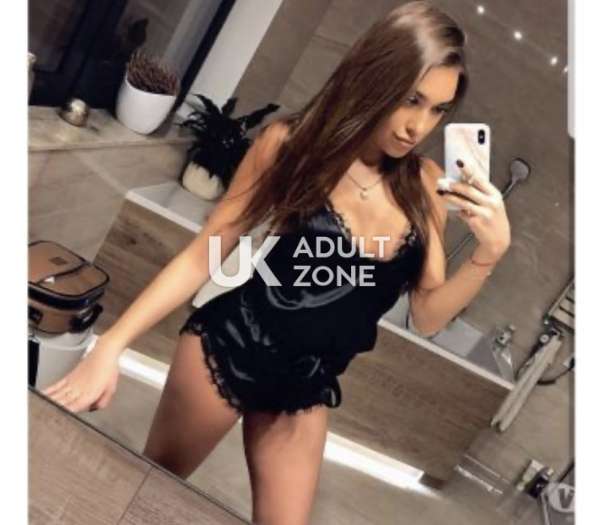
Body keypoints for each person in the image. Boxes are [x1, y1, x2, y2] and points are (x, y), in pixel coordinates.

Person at [41, 1, 511, 523]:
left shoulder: (424, 185)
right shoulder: (289, 146)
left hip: (306, 385)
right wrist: (111, 344)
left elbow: (426, 315)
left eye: (438, 110)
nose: (417, 126)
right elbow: (205, 255)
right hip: (230, 347)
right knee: (149, 497)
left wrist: (488, 253)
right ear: (375, 78)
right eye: (410, 99)